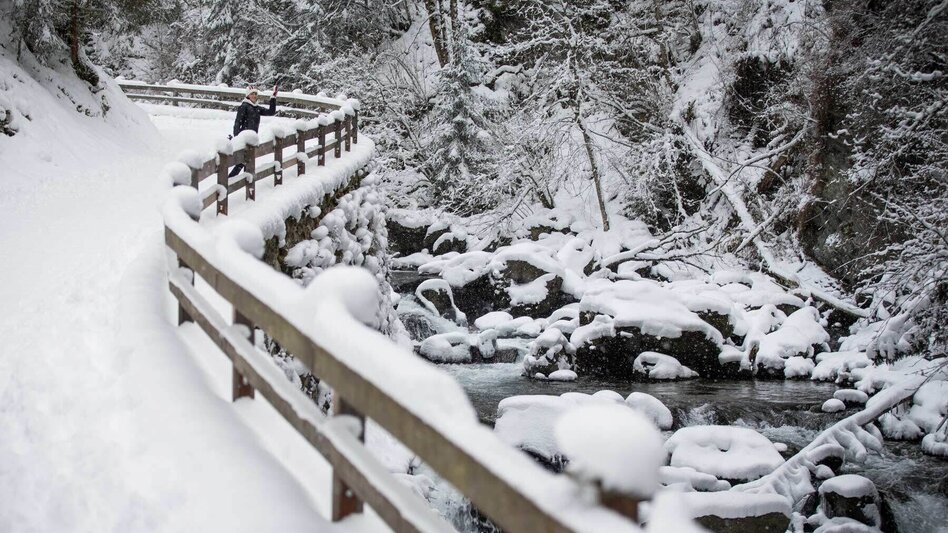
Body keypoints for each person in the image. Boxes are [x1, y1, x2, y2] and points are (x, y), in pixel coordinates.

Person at [228, 85, 278, 177]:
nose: (254, 96)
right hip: (244, 139)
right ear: (248, 95)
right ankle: (231, 181)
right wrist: (237, 138)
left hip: (252, 140)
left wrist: (273, 98)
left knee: (245, 162)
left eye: (255, 93)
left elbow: (271, 112)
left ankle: (240, 181)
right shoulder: (244, 106)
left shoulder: (257, 108)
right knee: (242, 162)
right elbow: (237, 123)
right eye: (252, 94)